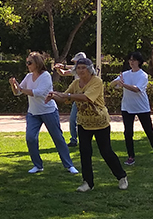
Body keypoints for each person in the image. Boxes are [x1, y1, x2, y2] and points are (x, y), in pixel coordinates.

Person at [46, 56, 128, 192]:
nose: (81, 70)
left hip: (100, 122)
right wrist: (53, 95)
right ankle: (87, 183)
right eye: (78, 68)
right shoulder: (75, 83)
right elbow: (64, 98)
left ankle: (122, 177)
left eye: (84, 67)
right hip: (84, 123)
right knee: (84, 152)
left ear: (90, 70)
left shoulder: (97, 81)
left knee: (106, 152)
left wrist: (66, 96)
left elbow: (86, 97)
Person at [9, 52, 79, 175]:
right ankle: (37, 165)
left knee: (58, 138)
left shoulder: (46, 76)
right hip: (33, 113)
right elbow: (17, 92)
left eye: (29, 62)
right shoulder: (28, 76)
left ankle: (69, 165)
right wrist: (14, 86)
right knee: (30, 138)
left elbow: (39, 93)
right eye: (27, 62)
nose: (28, 65)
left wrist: (21, 89)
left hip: (48, 111)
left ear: (37, 63)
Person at [110, 51, 153, 166]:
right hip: (127, 107)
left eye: (134, 60)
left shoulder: (143, 75)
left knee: (149, 132)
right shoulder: (125, 74)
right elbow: (111, 85)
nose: (131, 62)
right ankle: (131, 157)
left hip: (142, 108)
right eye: (130, 60)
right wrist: (117, 82)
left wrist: (123, 85)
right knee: (128, 133)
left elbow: (137, 89)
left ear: (139, 62)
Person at [54, 51, 87, 147]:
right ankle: (73, 140)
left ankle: (85, 139)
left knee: (87, 121)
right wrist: (59, 69)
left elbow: (68, 69)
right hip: (77, 99)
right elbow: (63, 73)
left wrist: (64, 66)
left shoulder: (89, 71)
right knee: (73, 120)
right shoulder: (75, 70)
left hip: (87, 100)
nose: (76, 64)